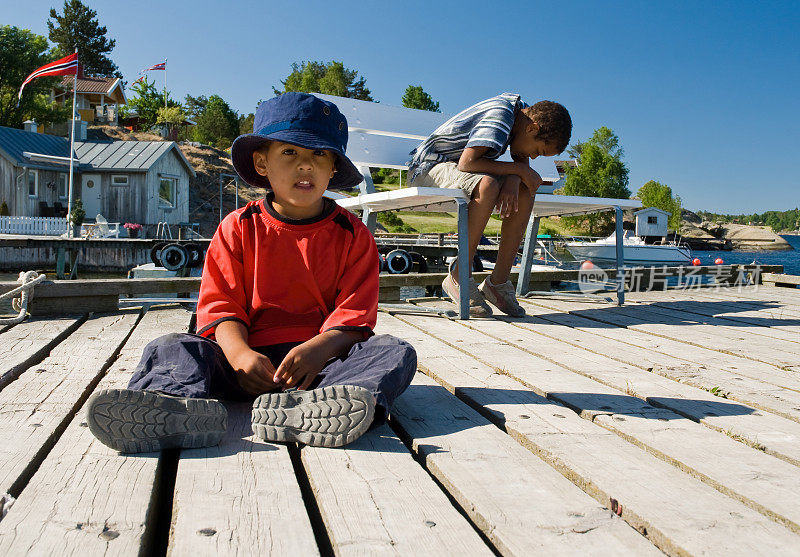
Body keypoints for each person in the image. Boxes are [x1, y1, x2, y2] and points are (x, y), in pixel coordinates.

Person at [86, 93, 417, 453]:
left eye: (319, 154)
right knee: (170, 347)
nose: (306, 165)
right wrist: (241, 357)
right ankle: (174, 408)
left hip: (321, 370)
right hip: (239, 366)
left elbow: (353, 318)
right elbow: (220, 305)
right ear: (262, 163)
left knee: (395, 351)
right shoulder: (238, 227)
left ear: (334, 167)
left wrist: (317, 351)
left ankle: (313, 412)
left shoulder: (354, 234)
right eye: (290, 152)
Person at [408, 93, 572, 317]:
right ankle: (459, 275)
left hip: (458, 170)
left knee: (526, 189)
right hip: (428, 170)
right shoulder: (502, 115)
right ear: (532, 129)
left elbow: (519, 157)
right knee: (488, 185)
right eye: (538, 151)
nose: (533, 157)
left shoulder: (521, 115)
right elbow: (468, 163)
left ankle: (498, 283)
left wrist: (516, 178)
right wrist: (519, 170)